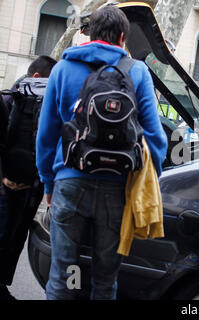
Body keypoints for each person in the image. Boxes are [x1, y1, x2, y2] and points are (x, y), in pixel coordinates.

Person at [36, 6, 167, 300]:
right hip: (117, 190)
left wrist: (48, 182)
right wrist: (148, 180)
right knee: (105, 281)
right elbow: (156, 138)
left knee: (63, 277)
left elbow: (45, 135)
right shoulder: (138, 72)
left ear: (88, 34)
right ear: (122, 37)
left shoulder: (62, 69)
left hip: (69, 183)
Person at [0, 56, 57, 300]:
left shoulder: (12, 100)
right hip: (16, 185)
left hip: (23, 185)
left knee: (12, 237)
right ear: (36, 77)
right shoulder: (7, 101)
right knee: (7, 236)